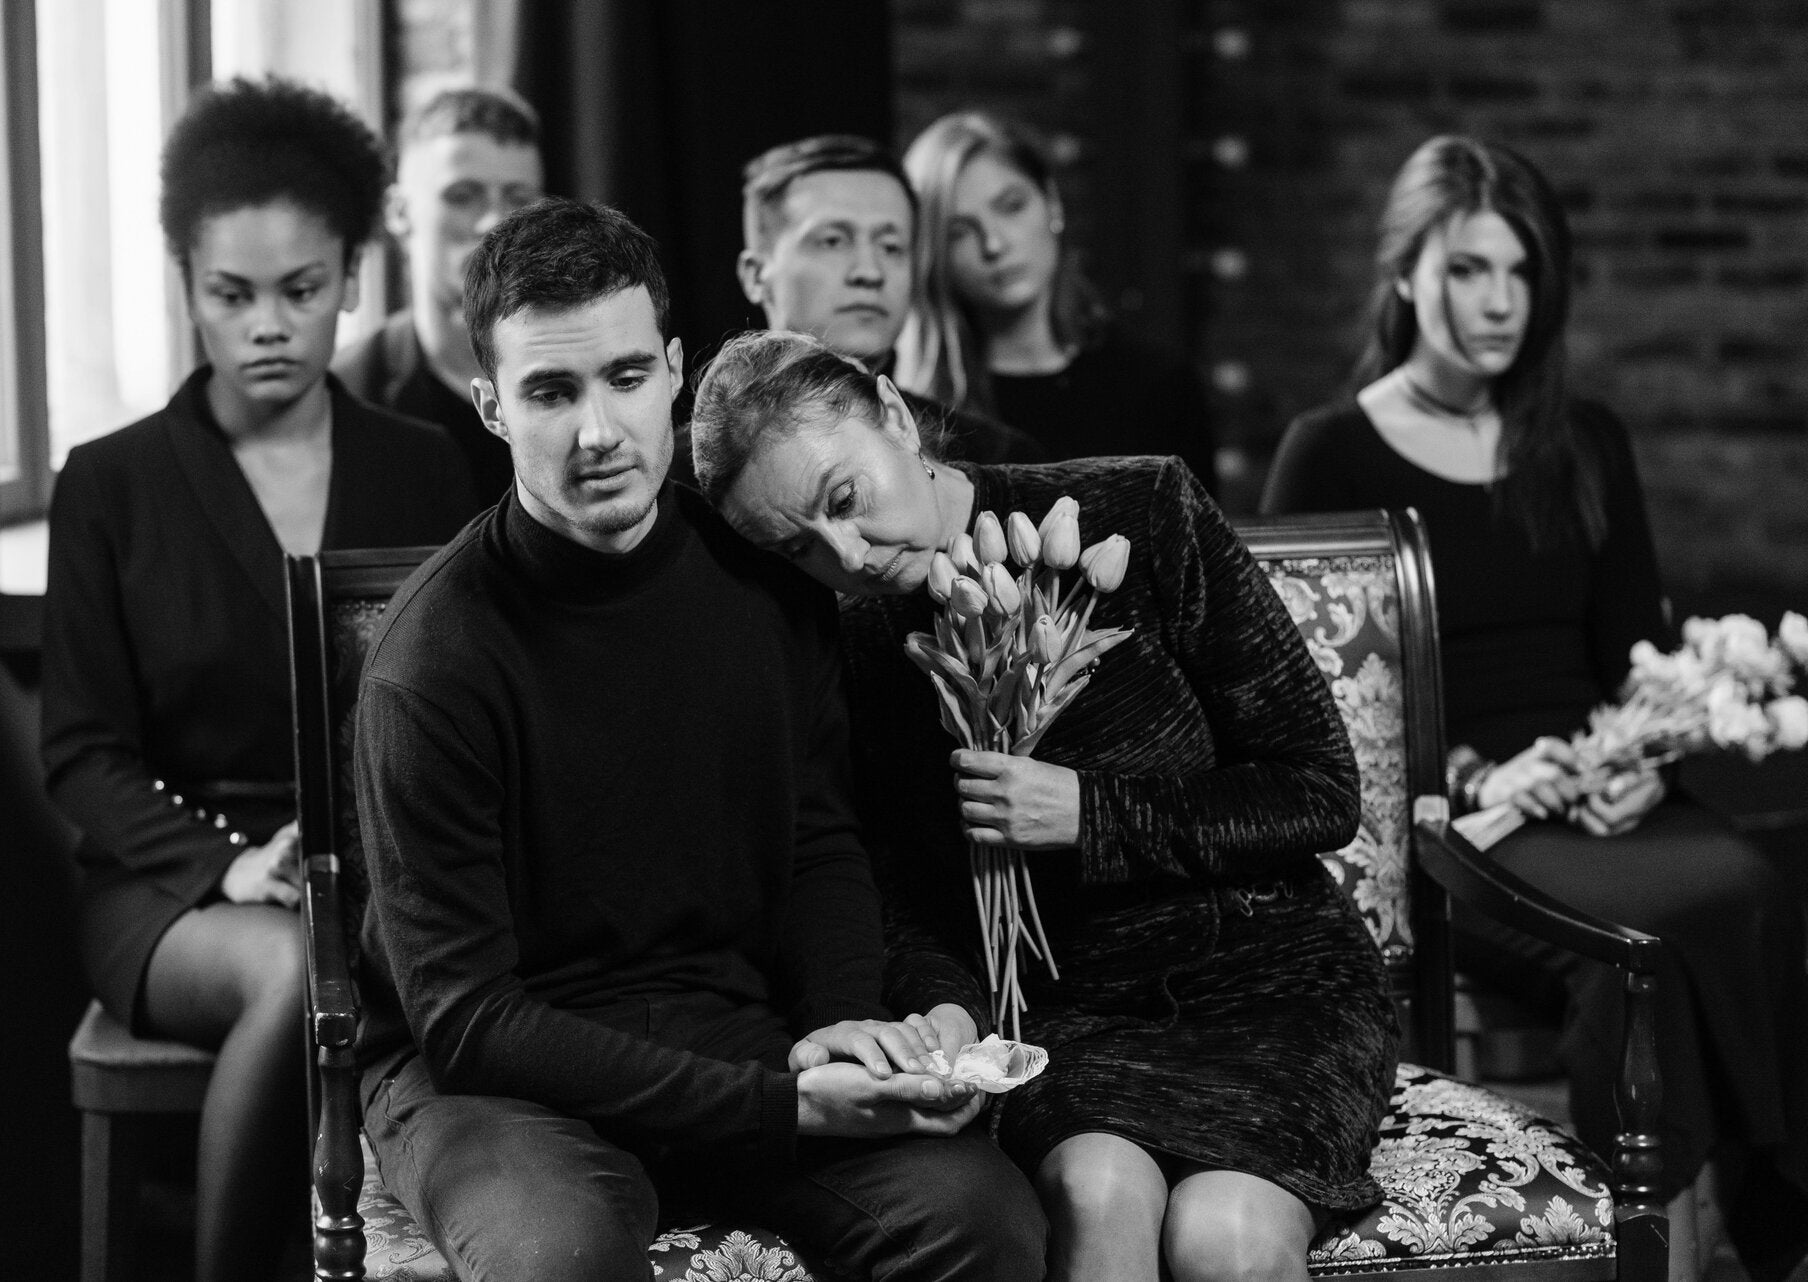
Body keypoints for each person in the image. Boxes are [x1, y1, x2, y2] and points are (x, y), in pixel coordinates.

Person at [349, 197, 1046, 1282]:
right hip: (501, 1084)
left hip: (738, 1027)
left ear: (674, 372)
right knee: (558, 1258)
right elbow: (468, 1019)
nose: (598, 431)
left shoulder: (767, 581)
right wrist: (780, 1104)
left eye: (626, 377)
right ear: (491, 407)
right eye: (551, 391)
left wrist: (841, 1024)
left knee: (980, 1218)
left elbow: (820, 844)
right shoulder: (430, 661)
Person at [690, 329, 1399, 1282]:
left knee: (1225, 1237)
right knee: (1097, 1193)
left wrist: (1088, 814)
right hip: (1059, 1016)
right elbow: (895, 897)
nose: (846, 556)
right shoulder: (841, 644)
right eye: (798, 548)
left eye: (845, 500)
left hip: (1275, 988)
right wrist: (948, 1013)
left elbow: (1320, 789)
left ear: (894, 416)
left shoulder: (1141, 509)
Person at [1261, 134, 1808, 1282]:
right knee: (1642, 957)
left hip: (1606, 792)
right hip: (1465, 819)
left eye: (1522, 271)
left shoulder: (1585, 440)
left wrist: (1641, 763)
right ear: (1405, 273)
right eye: (1468, 269)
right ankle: (1678, 1246)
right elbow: (1312, 712)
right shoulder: (1329, 451)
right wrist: (1472, 775)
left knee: (1755, 884)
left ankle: (1740, 1218)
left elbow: (1633, 655)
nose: (1500, 302)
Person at [40, 78, 478, 1282]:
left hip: (385, 870)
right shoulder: (110, 484)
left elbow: (465, 705)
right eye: (231, 295)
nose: (267, 327)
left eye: (302, 289)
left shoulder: (425, 466)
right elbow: (80, 754)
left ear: (353, 276)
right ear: (186, 283)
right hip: (174, 885)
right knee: (293, 968)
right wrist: (230, 863)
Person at [895, 110, 1216, 489]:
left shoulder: (1160, 386)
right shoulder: (911, 416)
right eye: (959, 232)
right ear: (933, 254)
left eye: (1012, 206)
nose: (994, 244)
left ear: (1052, 203)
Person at [735, 132, 1045, 467]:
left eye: (891, 247)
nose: (870, 272)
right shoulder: (704, 463)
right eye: (833, 241)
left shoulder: (994, 458)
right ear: (756, 275)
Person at [334, 86, 545, 503]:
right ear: (399, 212)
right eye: (462, 196)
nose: (494, 222)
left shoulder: (582, 380)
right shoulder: (345, 399)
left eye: (518, 199)